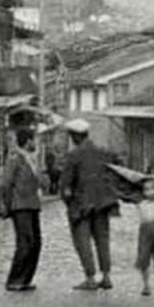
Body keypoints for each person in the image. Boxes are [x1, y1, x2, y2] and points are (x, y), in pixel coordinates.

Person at [60, 118, 120, 290]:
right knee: (102, 240)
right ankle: (106, 276)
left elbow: (66, 184)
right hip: (103, 203)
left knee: (82, 241)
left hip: (81, 205)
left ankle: (90, 278)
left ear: (75, 136)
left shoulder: (74, 155)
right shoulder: (103, 152)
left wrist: (68, 202)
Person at [0, 128, 45, 292]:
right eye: (33, 140)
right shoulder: (15, 159)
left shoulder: (32, 159)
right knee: (25, 242)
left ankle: (25, 279)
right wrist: (7, 205)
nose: (35, 143)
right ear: (27, 141)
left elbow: (41, 181)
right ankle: (14, 279)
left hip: (33, 205)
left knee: (36, 243)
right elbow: (6, 183)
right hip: (20, 205)